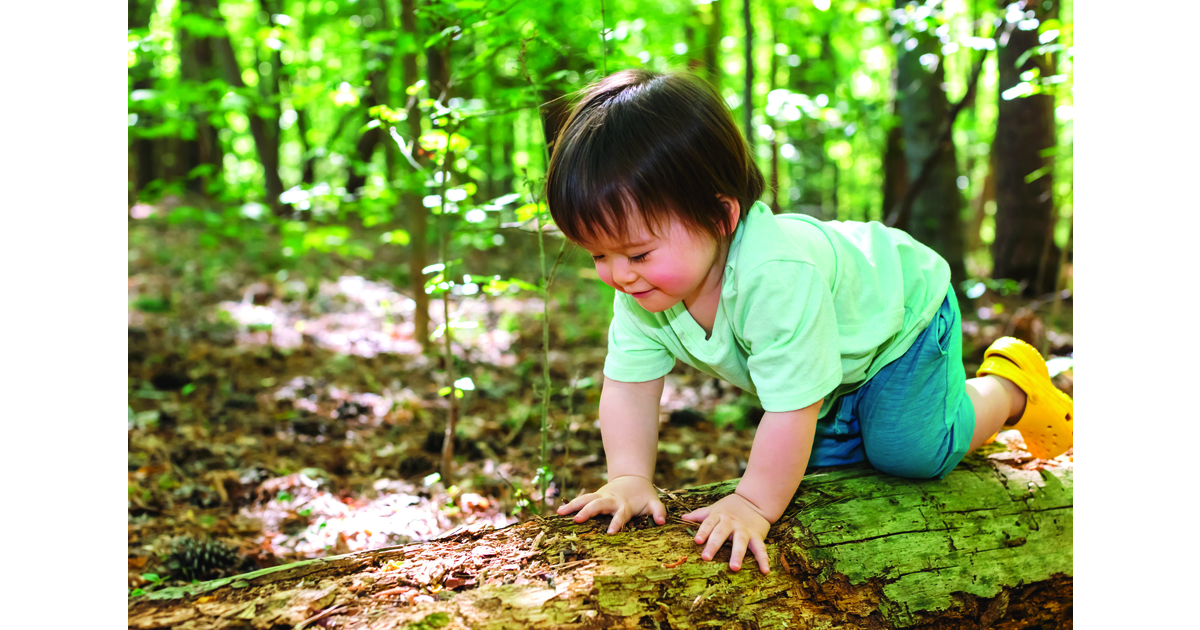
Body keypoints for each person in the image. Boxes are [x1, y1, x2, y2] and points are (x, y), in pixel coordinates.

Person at [546, 69, 1072, 575]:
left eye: (637, 253)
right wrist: (629, 477)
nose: (617, 275)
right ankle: (867, 411)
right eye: (598, 256)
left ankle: (1010, 387)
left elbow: (792, 406)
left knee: (909, 454)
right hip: (836, 355)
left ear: (720, 216)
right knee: (833, 470)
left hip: (900, 319)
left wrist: (753, 503)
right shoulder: (643, 290)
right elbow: (629, 386)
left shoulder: (773, 276)